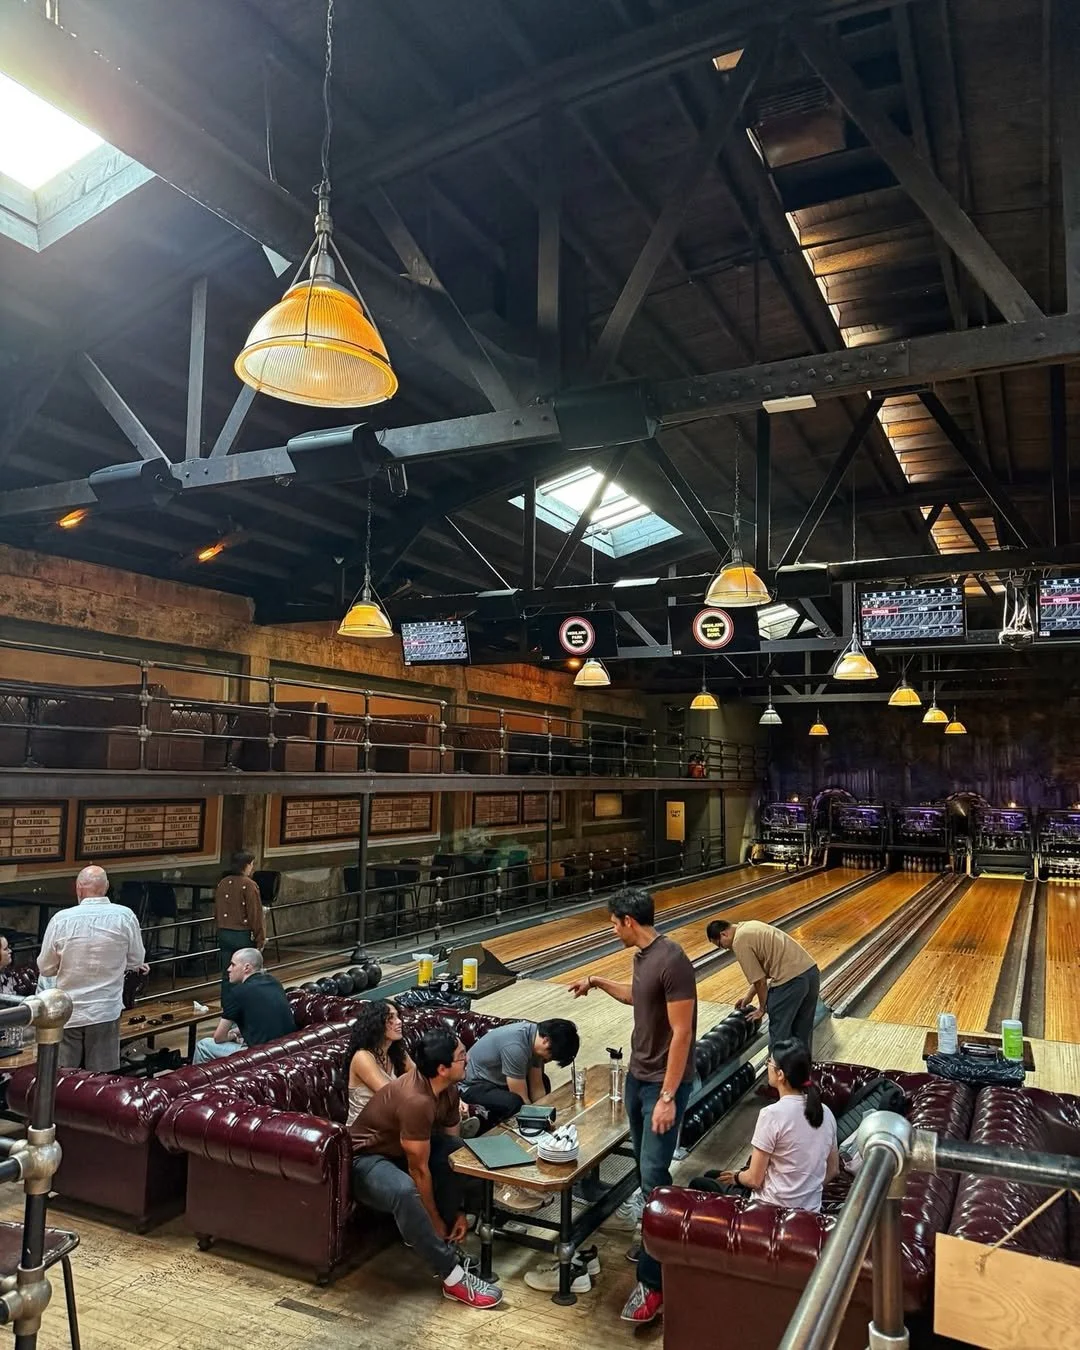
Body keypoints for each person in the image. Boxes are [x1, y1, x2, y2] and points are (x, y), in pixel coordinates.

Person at [569, 886, 697, 1327]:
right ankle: (656, 1241)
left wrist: (667, 1096)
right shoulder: (643, 958)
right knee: (645, 1174)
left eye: (613, 923)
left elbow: (683, 1033)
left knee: (655, 1177)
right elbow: (635, 998)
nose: (611, 930)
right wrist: (596, 981)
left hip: (661, 1086)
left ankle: (653, 1283)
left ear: (628, 920)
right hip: (639, 1078)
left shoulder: (673, 959)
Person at [350, 1026, 503, 1310]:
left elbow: (451, 1154)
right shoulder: (416, 1101)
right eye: (462, 1056)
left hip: (401, 1154)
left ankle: (449, 1242)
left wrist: (457, 1211)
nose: (468, 1059)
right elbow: (419, 1171)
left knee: (457, 1149)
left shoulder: (448, 1089)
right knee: (405, 1191)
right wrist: (434, 1220)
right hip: (366, 1161)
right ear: (442, 1069)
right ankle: (452, 1277)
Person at [698, 1039, 839, 1212]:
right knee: (714, 1176)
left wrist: (736, 1177)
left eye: (769, 1062)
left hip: (768, 1210)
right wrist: (805, 1190)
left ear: (780, 1074)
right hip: (810, 1210)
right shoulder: (826, 1112)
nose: (767, 1066)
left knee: (701, 1183)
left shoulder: (772, 1115)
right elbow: (833, 1169)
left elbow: (754, 1180)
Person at [37, 864, 148, 1072]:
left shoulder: (61, 919)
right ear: (106, 887)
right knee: (101, 1080)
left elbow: (46, 968)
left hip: (68, 1010)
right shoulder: (125, 916)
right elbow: (136, 960)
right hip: (105, 1010)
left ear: (78, 887)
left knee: (66, 1078)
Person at [706, 917, 820, 1056]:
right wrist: (749, 996)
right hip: (811, 973)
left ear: (724, 934)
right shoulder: (750, 925)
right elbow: (763, 972)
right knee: (802, 1031)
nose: (724, 948)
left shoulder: (739, 942)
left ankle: (776, 1067)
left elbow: (760, 981)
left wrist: (761, 1008)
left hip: (790, 982)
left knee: (779, 1036)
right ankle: (802, 1068)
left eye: (720, 945)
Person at [460, 1017, 579, 1128]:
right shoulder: (516, 1047)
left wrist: (544, 1112)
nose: (548, 1060)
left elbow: (537, 1085)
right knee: (514, 1103)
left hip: (497, 1079)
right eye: (551, 1057)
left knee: (545, 1081)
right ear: (546, 1041)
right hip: (473, 1086)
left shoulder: (535, 1038)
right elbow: (521, 1097)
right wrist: (536, 1119)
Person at [193, 948, 294, 1063]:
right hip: (286, 1047)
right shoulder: (274, 982)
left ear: (246, 968)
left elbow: (218, 1037)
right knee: (236, 1027)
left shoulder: (237, 993)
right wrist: (237, 1033)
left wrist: (232, 1036)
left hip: (261, 1054)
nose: (228, 969)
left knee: (203, 1046)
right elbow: (262, 1021)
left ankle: (194, 1075)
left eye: (233, 965)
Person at [345, 1000, 412, 1126]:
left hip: (390, 1125)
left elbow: (423, 1078)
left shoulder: (397, 1053)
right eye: (390, 1018)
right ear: (376, 1024)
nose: (399, 1022)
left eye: (398, 1016)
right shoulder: (362, 1057)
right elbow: (391, 1095)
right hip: (365, 1131)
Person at [213, 851, 265, 999]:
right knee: (245, 975)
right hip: (242, 935)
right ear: (246, 865)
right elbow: (255, 914)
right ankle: (243, 1006)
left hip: (224, 933)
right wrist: (260, 938)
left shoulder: (222, 882)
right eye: (252, 864)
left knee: (228, 973)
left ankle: (227, 1006)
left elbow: (217, 910)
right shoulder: (249, 884)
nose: (252, 868)